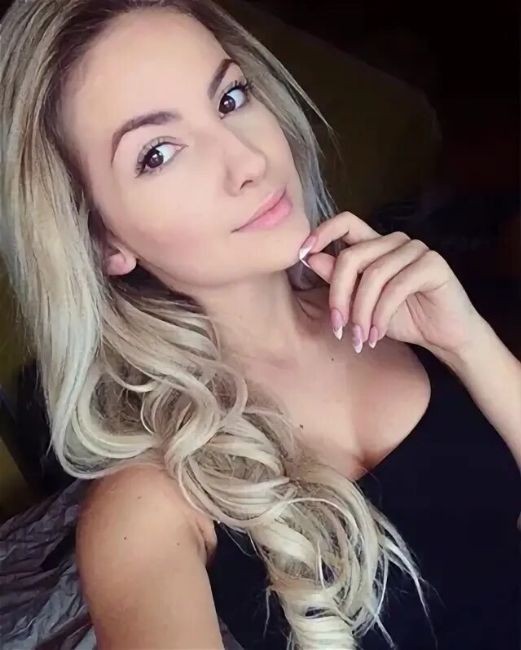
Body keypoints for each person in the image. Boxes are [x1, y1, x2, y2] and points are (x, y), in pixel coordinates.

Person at [0, 1, 519, 649]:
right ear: (101, 239)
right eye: (158, 153)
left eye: (230, 98)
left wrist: (469, 343)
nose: (247, 159)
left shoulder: (408, 309)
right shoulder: (144, 507)